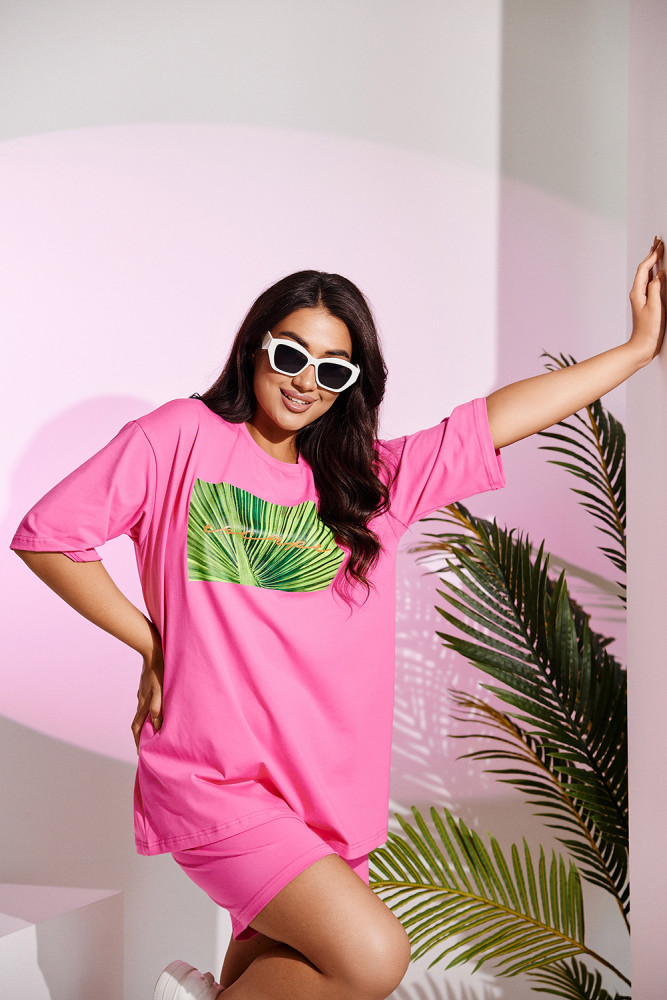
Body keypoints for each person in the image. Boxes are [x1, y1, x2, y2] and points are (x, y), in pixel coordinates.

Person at [11, 241, 665, 1000]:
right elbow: (49, 536)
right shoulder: (181, 438)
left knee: (295, 977)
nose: (305, 381)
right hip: (215, 778)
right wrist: (152, 642)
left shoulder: (369, 485)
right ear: (256, 347)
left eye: (332, 369)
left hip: (327, 798)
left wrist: (635, 350)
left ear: (351, 384)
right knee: (371, 957)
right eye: (291, 354)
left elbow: (493, 420)